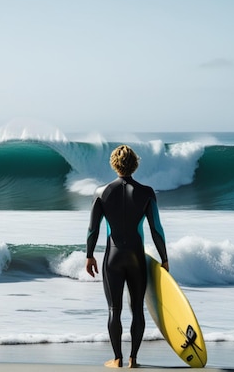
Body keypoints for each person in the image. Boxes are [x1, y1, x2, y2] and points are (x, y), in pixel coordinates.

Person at [85, 144, 169, 369]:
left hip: (112, 257)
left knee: (114, 309)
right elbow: (156, 230)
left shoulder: (101, 192)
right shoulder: (147, 193)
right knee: (138, 309)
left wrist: (89, 255)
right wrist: (164, 258)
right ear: (135, 164)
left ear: (113, 163)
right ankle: (133, 359)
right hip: (136, 257)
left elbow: (93, 229)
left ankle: (117, 359)